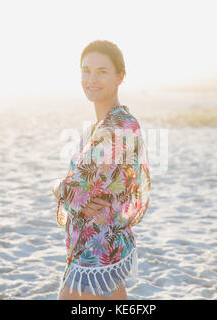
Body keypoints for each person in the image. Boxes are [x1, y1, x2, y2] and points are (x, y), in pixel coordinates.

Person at [52, 40, 151, 300]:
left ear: (120, 77)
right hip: (95, 240)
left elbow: (81, 191)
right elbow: (81, 193)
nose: (91, 78)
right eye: (86, 70)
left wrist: (55, 186)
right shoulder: (98, 126)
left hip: (99, 248)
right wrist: (70, 191)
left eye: (102, 71)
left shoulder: (118, 127)